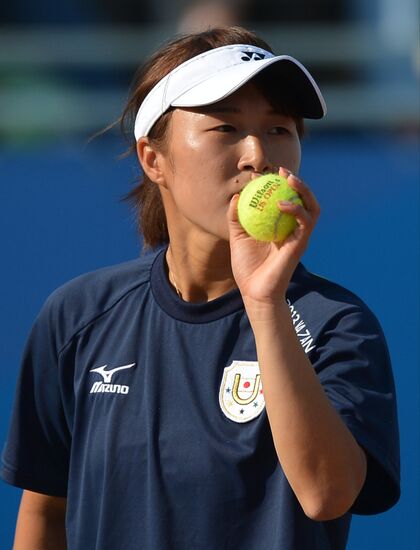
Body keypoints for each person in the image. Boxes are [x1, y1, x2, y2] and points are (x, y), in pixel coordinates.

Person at [1, 26, 400, 550]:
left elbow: (326, 495)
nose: (258, 154)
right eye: (226, 128)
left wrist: (264, 303)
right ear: (153, 159)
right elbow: (47, 515)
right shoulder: (76, 316)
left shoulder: (335, 323)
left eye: (280, 129)